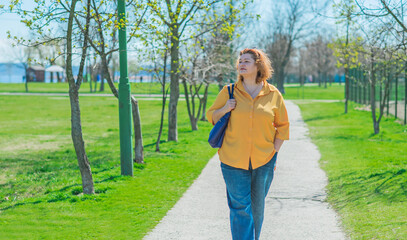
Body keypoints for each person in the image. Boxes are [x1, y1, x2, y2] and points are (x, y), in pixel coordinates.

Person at [206, 48, 289, 240]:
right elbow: (211, 115)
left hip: (264, 161)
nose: (241, 64)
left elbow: (283, 126)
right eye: (240, 61)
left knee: (256, 207)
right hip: (232, 160)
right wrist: (226, 108)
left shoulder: (273, 94)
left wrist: (273, 153)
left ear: (258, 65)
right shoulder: (229, 91)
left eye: (247, 61)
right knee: (240, 208)